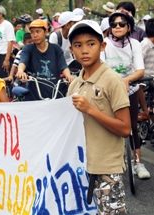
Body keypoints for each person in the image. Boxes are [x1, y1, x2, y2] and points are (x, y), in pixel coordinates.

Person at [67, 19, 131, 214]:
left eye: (91, 44)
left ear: (102, 46)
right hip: (81, 166)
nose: (84, 50)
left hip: (107, 168)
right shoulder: (75, 85)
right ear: (71, 50)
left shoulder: (112, 80)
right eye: (78, 45)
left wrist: (91, 110)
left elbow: (125, 128)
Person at [102, 10, 150, 179]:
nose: (117, 27)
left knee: (133, 128)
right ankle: (110, 163)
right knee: (108, 127)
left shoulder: (135, 44)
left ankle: (137, 162)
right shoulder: (104, 44)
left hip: (130, 88)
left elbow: (140, 70)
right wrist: (114, 82)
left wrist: (126, 81)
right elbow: (102, 67)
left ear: (129, 27)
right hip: (109, 89)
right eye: (114, 24)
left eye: (121, 24)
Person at [16, 19, 74, 100]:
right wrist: (20, 71)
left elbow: (63, 66)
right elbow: (23, 61)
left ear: (46, 32)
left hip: (55, 92)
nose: (34, 35)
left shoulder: (56, 49)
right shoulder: (28, 49)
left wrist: (69, 76)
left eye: (37, 31)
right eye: (32, 32)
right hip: (35, 95)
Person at [0, 5, 16, 78]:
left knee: (5, 79)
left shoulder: (7, 25)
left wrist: (7, 59)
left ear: (0, 14)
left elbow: (10, 42)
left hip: (4, 56)